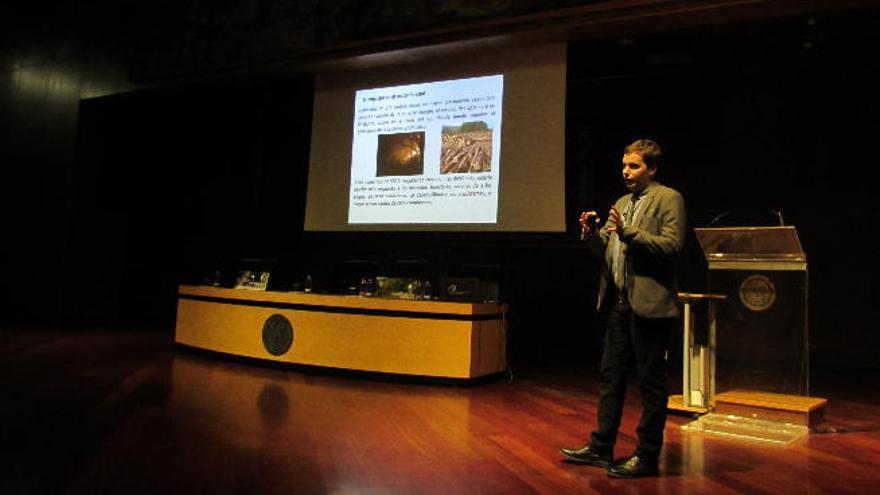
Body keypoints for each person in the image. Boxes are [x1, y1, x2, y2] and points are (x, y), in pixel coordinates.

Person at [560, 139, 686, 478]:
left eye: (634, 166)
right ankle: (601, 448)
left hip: (650, 308)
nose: (626, 172)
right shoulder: (621, 202)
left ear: (653, 168)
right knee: (610, 378)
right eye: (624, 166)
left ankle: (646, 456)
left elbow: (672, 246)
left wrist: (630, 232)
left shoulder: (668, 198)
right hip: (619, 306)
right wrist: (589, 234)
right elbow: (605, 249)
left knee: (651, 384)